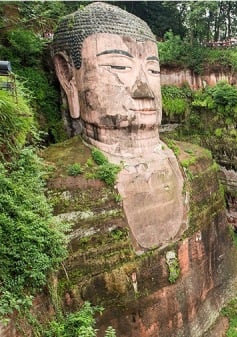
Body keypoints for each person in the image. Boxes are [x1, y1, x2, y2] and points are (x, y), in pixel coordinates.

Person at [51, 2, 186, 250]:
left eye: (153, 70)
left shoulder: (195, 164)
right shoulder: (56, 189)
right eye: (119, 67)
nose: (144, 89)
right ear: (68, 76)